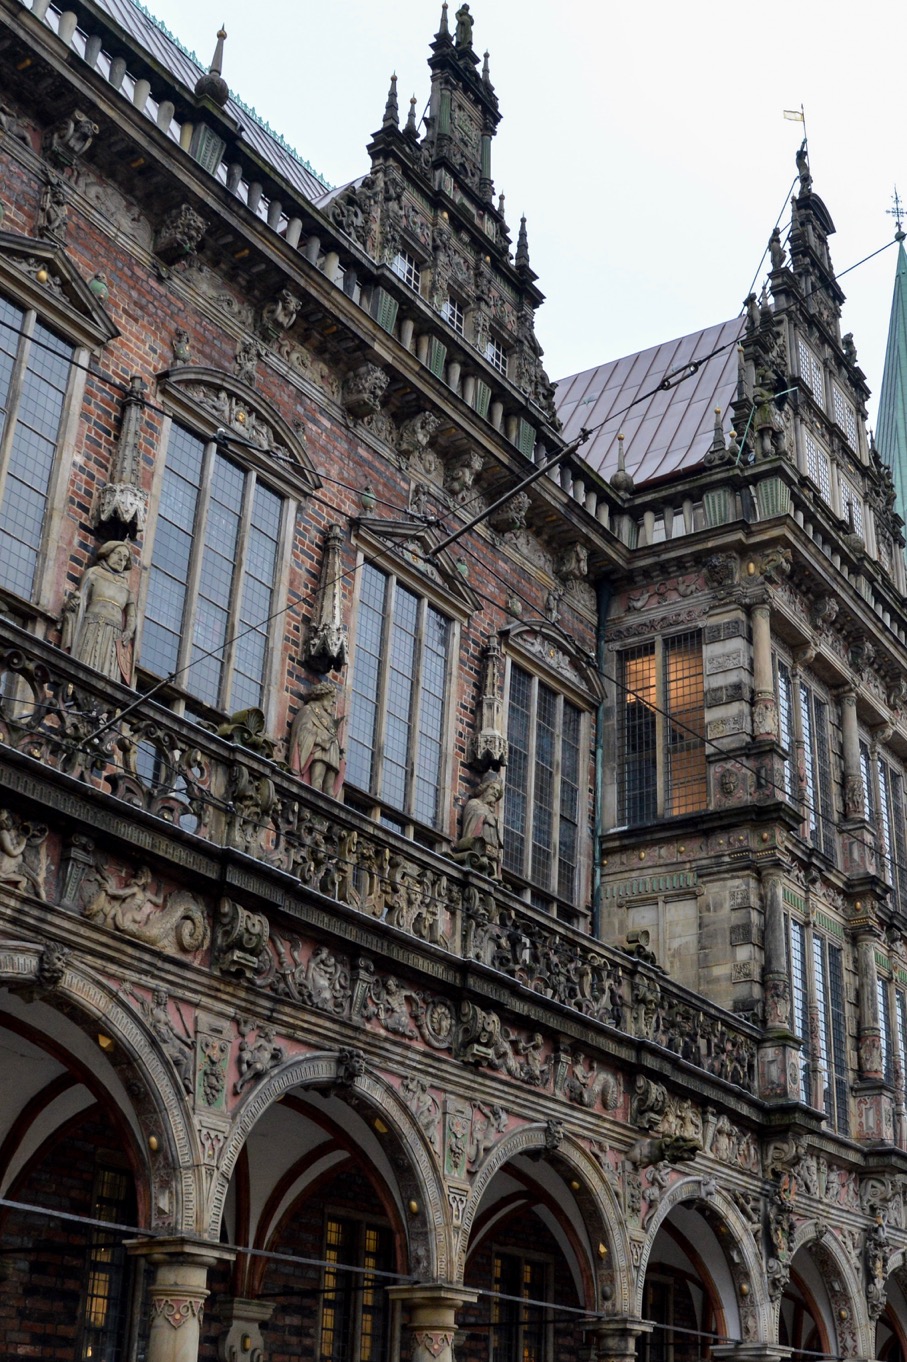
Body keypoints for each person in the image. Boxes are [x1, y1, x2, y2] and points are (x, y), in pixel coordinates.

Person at [62, 541, 137, 684]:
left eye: (125, 557)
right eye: (118, 554)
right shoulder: (94, 573)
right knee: (86, 662)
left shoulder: (126, 587)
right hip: (93, 624)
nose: (121, 559)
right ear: (108, 554)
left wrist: (129, 631)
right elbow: (80, 598)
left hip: (114, 633)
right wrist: (72, 604)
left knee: (108, 672)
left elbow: (132, 615)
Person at [290, 683, 343, 795]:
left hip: (332, 752)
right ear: (323, 695)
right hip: (319, 751)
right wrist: (319, 739)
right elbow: (303, 732)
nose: (333, 702)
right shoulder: (309, 710)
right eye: (332, 697)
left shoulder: (329, 718)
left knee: (329, 790)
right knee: (316, 783)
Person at [451, 772, 503, 877]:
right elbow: (474, 818)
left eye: (498, 792)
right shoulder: (474, 803)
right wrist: (486, 815)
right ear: (484, 789)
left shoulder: (491, 812)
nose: (495, 793)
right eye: (493, 789)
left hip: (491, 851)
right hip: (477, 849)